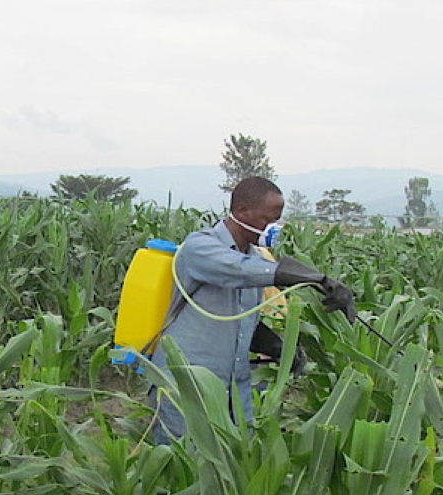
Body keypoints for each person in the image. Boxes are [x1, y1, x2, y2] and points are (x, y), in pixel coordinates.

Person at [148, 176, 355, 444]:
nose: (272, 228)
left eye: (276, 220)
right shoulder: (200, 247)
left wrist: (282, 349)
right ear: (242, 211)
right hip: (186, 385)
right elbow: (238, 270)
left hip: (235, 391)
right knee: (183, 469)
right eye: (266, 220)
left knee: (236, 467)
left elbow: (244, 323)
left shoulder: (255, 259)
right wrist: (317, 279)